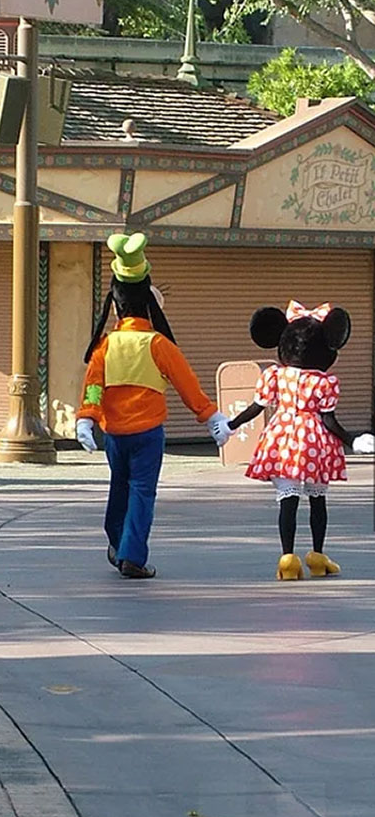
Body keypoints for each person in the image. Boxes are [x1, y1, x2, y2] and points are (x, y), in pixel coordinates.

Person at [76, 233, 228, 579]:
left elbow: (95, 388)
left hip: (114, 436)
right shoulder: (159, 344)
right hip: (148, 435)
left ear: (115, 307)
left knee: (120, 486)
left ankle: (117, 542)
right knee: (142, 493)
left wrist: (87, 417)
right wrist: (210, 415)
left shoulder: (105, 346)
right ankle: (132, 555)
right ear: (149, 305)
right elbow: (187, 384)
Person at [222, 299, 374, 579]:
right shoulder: (324, 382)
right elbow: (329, 420)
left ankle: (287, 559)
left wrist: (230, 425)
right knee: (318, 500)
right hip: (316, 443)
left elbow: (258, 407)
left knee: (288, 500)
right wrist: (351, 440)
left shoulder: (276, 376)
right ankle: (317, 556)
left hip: (283, 441)